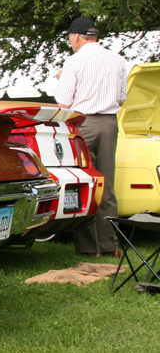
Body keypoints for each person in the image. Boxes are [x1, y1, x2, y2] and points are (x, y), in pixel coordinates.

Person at [55, 16, 127, 256]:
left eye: (70, 37)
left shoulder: (74, 62)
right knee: (107, 184)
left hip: (83, 123)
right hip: (109, 123)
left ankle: (88, 248)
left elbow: (63, 102)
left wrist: (60, 79)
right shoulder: (117, 60)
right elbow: (121, 99)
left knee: (85, 183)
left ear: (76, 37)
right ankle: (109, 246)